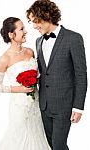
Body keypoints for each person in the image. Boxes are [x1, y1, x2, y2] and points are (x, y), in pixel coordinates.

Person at [26, 0, 87, 149]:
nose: (34, 26)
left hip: (64, 105)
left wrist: (78, 107)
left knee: (58, 145)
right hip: (44, 104)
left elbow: (81, 75)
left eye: (36, 21)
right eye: (32, 22)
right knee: (51, 145)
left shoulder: (73, 38)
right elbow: (43, 72)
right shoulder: (38, 41)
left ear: (46, 16)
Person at [0, 17, 51, 150]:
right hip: (20, 106)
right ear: (11, 35)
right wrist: (19, 88)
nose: (26, 31)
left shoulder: (30, 51)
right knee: (21, 137)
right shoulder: (4, 59)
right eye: (21, 29)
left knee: (38, 135)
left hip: (36, 103)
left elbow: (40, 74)